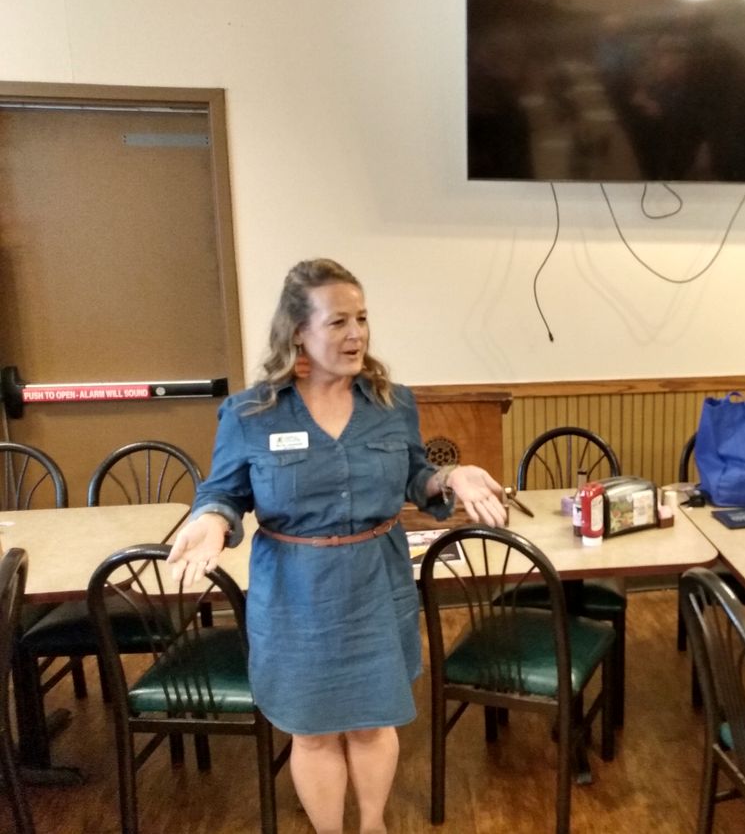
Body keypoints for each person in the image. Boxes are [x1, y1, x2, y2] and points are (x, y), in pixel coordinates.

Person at [167, 258, 507, 834]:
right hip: (295, 595)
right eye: (338, 322)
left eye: (362, 319)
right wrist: (210, 520)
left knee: (374, 722)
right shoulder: (251, 412)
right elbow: (223, 491)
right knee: (315, 729)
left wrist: (451, 478)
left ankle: (371, 825)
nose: (356, 335)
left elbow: (415, 477)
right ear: (298, 330)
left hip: (377, 584)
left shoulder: (392, 402)